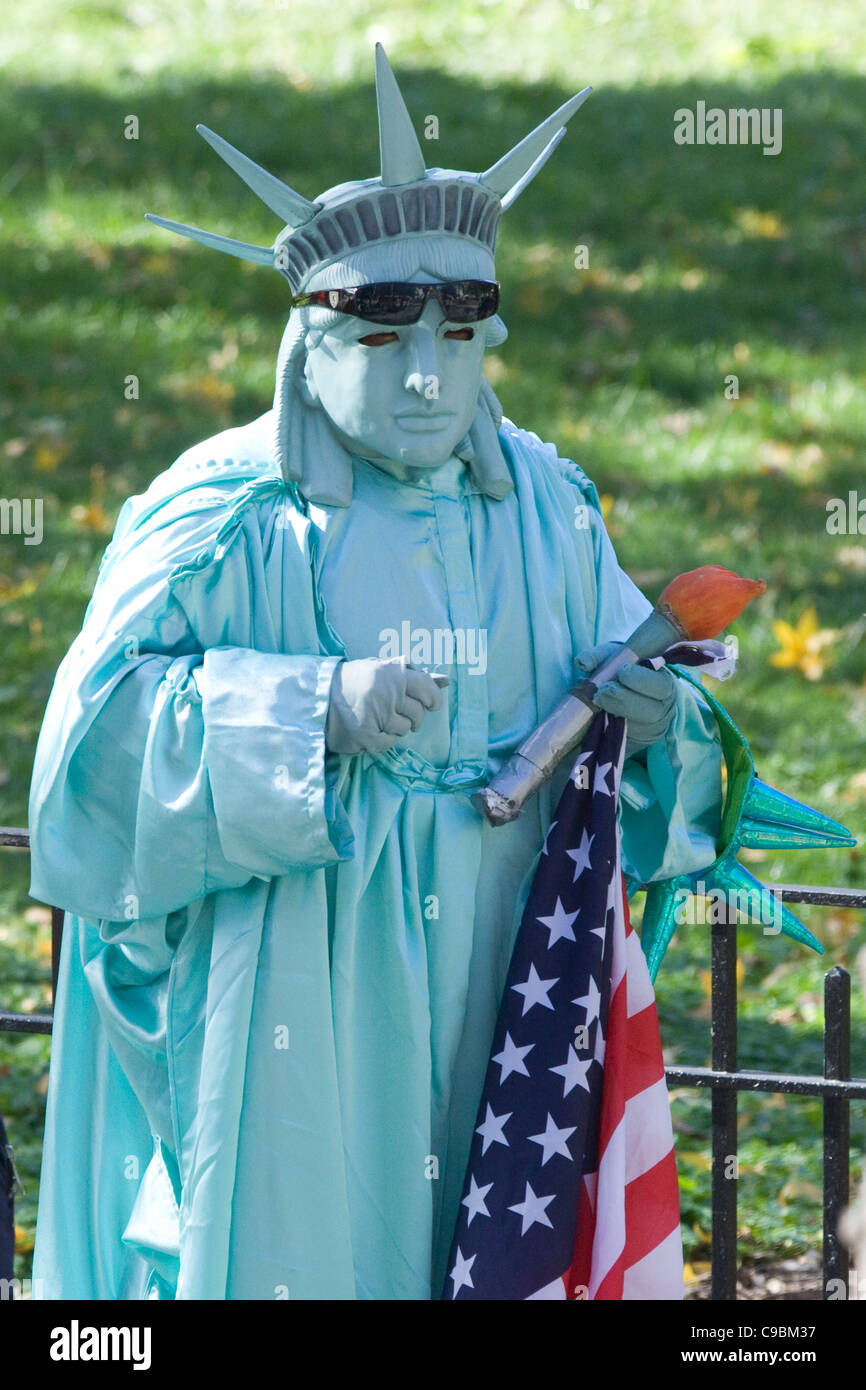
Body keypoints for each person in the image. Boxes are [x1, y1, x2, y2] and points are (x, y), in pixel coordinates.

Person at [28, 46, 723, 1300]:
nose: (426, 379)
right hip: (305, 963)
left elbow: (659, 705)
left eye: (461, 341)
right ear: (309, 344)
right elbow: (90, 757)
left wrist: (658, 716)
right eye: (387, 339)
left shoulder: (548, 511)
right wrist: (309, 711)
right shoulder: (225, 515)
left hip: (512, 956)